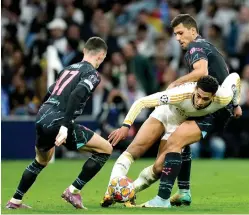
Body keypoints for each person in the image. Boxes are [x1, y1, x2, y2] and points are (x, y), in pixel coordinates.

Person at [102, 14, 242, 208]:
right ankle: (183, 192)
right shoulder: (206, 47)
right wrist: (236, 104)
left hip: (211, 111)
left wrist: (177, 82)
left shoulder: (195, 47)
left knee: (170, 150)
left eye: (181, 32)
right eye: (175, 34)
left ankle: (149, 196)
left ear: (193, 31)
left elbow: (202, 72)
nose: (177, 38)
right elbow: (233, 78)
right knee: (176, 146)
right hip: (204, 109)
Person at [101, 73, 241, 208]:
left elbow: (235, 78)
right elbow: (141, 102)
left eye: (205, 99)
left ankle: (129, 191)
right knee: (134, 151)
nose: (199, 102)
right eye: (198, 96)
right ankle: (109, 192)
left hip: (177, 126)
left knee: (159, 167)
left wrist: (235, 104)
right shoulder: (180, 94)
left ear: (213, 96)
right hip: (164, 114)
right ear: (195, 89)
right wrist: (126, 125)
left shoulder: (223, 97)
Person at [6, 37, 112, 210]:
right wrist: (64, 125)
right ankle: (73, 190)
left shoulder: (68, 69)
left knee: (40, 161)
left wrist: (44, 113)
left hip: (42, 116)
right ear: (101, 56)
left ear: (84, 51)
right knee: (105, 149)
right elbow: (77, 95)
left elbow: (50, 92)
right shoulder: (91, 74)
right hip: (58, 120)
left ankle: (14, 201)